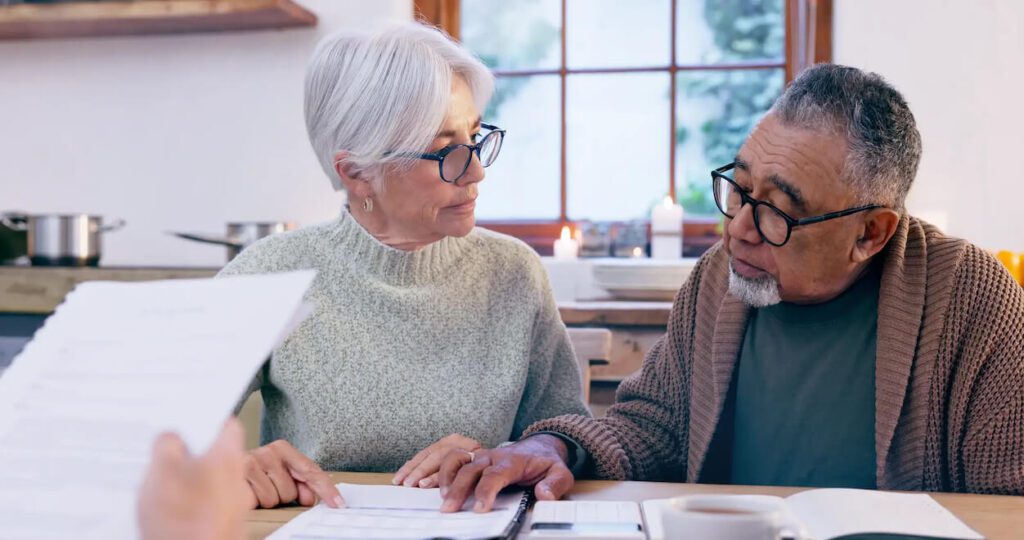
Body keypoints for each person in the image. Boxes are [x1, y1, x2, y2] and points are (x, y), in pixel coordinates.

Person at [437, 64, 1024, 513]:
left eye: (779, 213)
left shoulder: (972, 299)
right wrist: (553, 449)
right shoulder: (722, 277)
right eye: (739, 189)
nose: (738, 228)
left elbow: (1007, 505)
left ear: (870, 233)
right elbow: (650, 425)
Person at [217, 21, 589, 509]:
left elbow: (567, 431)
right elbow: (154, 437)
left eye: (476, 137)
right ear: (357, 174)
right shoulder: (271, 275)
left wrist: (521, 453)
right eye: (444, 151)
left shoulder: (513, 271)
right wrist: (228, 468)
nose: (476, 170)